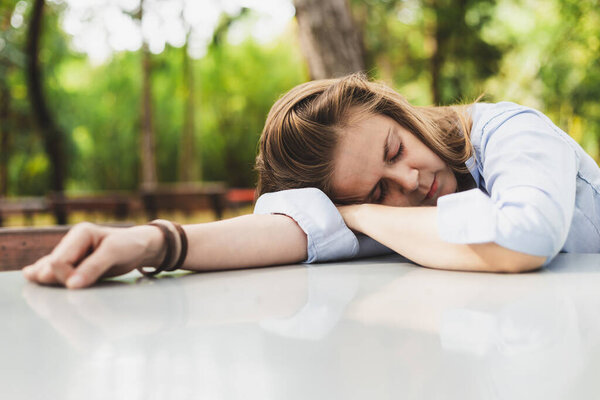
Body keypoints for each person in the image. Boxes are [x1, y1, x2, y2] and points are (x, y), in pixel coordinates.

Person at [22, 73, 600, 289]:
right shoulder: (404, 213)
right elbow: (295, 230)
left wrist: (365, 212)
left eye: (394, 149)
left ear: (393, 109)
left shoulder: (511, 133)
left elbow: (522, 241)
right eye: (377, 190)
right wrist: (155, 243)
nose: (409, 180)